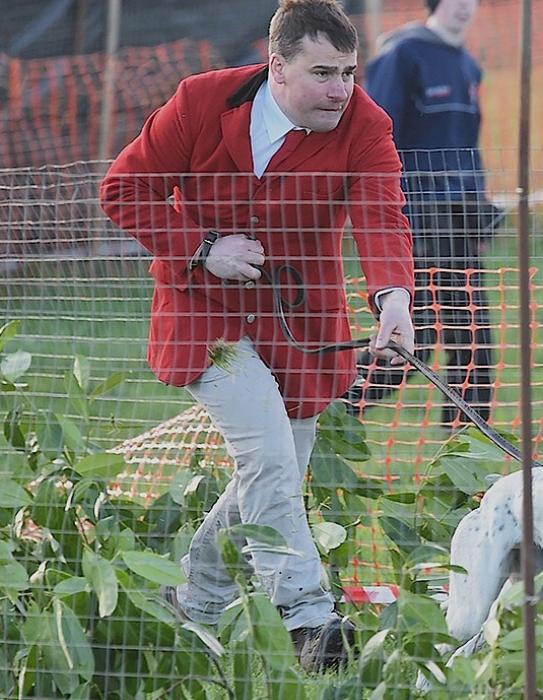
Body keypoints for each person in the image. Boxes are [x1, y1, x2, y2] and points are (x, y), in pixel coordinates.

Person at [99, 0, 414, 672]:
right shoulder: (200, 102)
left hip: (301, 324)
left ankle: (195, 599)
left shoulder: (365, 124)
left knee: (270, 473)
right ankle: (309, 620)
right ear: (277, 67)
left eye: (350, 73)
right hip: (204, 319)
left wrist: (393, 297)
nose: (341, 90)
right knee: (268, 458)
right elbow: (123, 189)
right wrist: (202, 245)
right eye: (323, 73)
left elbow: (382, 215)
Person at [343, 0, 504, 429]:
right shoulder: (402, 55)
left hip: (459, 219)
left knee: (474, 340)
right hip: (414, 216)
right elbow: (374, 137)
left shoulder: (468, 64)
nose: (465, 7)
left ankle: (463, 449)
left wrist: (479, 208)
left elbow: (469, 147)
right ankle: (333, 408)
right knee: (417, 338)